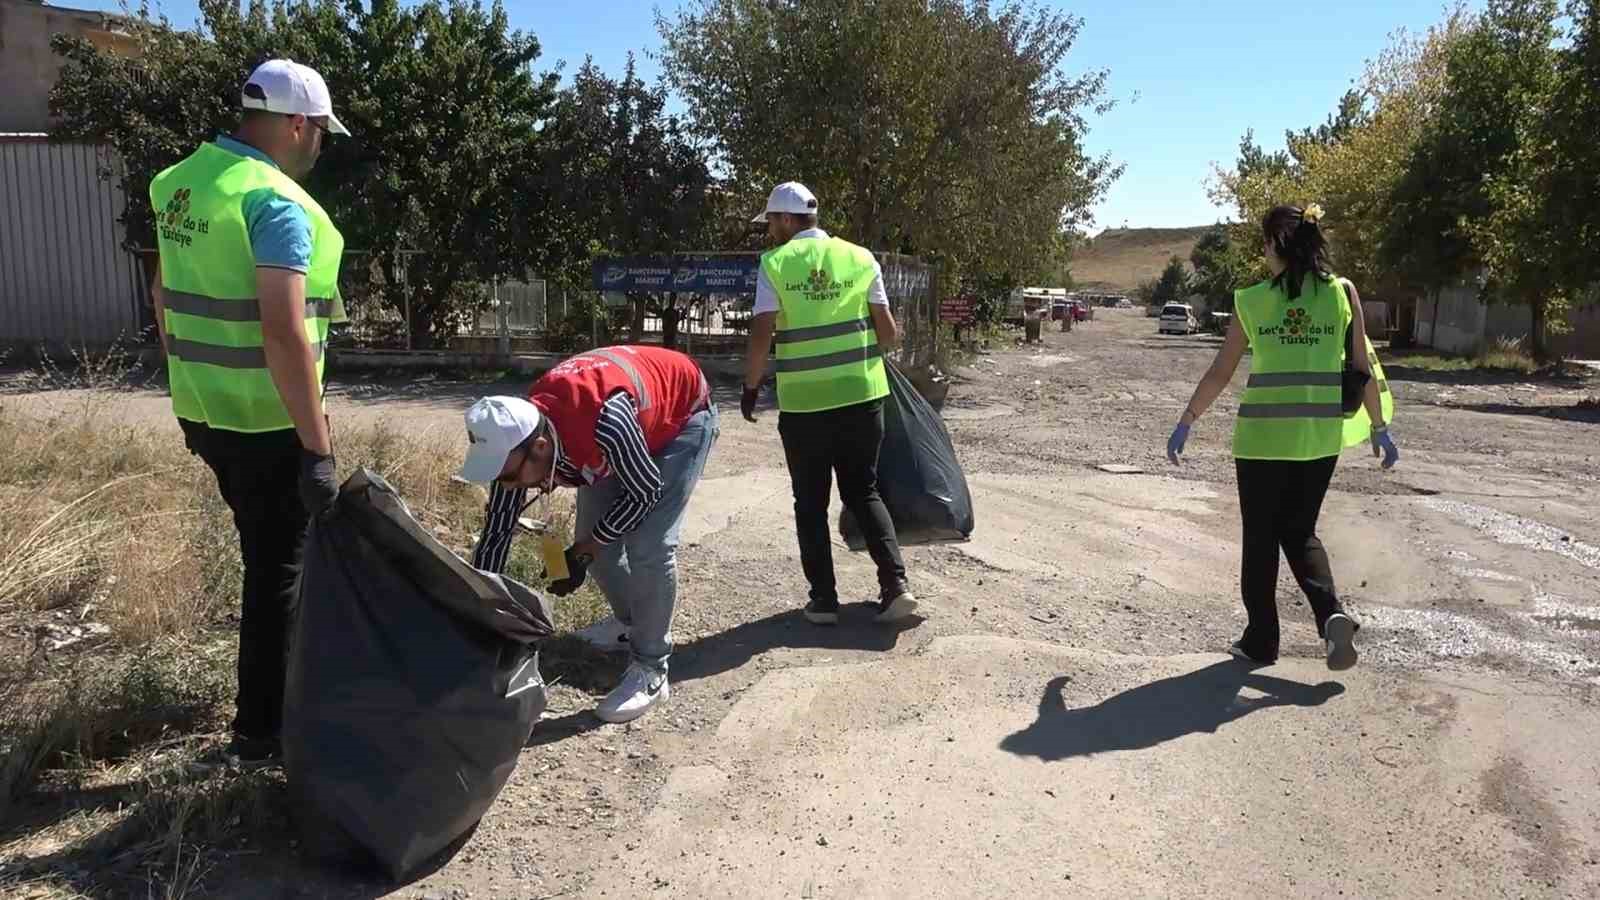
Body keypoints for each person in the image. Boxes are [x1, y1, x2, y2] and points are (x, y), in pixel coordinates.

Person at [148, 59, 351, 764]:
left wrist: (191, 384)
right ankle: (263, 735)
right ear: (298, 124)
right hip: (269, 424)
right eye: (321, 132)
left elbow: (163, 293)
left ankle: (269, 720)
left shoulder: (181, 185)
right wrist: (319, 448)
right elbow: (284, 331)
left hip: (205, 414)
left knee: (262, 558)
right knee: (278, 577)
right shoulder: (275, 203)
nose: (320, 147)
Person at [1166, 203, 1398, 671]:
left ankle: (1261, 641)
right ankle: (1330, 613)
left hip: (1260, 440)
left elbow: (1222, 371)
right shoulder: (1342, 293)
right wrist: (1379, 428)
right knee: (1300, 531)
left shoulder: (1251, 300)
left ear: (1275, 244)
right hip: (1317, 439)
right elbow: (1362, 369)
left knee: (1261, 539)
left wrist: (1188, 418)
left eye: (1265, 242)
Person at [460, 345, 718, 724]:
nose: (508, 485)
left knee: (649, 546)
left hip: (680, 420)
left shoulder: (602, 424)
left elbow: (644, 490)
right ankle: (631, 622)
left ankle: (651, 668)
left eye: (510, 476)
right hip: (619, 434)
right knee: (599, 545)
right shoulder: (518, 443)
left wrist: (582, 552)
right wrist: (479, 609)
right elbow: (497, 530)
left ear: (541, 448)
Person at [740, 181, 918, 626]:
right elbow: (889, 334)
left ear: (785, 219)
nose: (769, 232)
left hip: (805, 405)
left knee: (810, 502)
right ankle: (895, 587)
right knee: (863, 490)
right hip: (862, 395)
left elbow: (763, 331)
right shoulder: (861, 257)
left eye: (771, 223)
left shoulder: (775, 264)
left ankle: (823, 601)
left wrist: (750, 385)